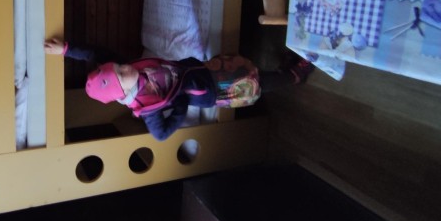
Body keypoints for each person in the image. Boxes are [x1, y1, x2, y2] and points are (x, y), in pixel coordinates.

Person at [44, 38, 313, 141]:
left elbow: (95, 52)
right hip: (211, 90)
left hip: (201, 70)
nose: (125, 67)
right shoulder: (147, 105)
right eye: (122, 73)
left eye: (119, 66)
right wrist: (181, 106)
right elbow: (161, 134)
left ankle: (283, 71)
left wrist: (65, 49)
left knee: (246, 69)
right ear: (121, 94)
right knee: (254, 84)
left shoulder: (126, 71)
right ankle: (294, 75)